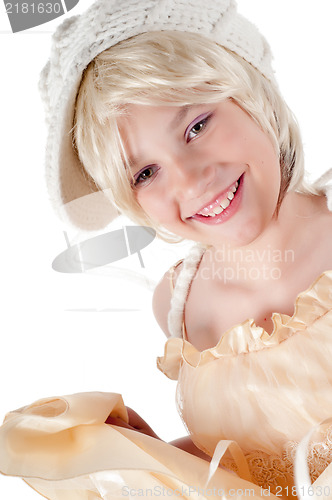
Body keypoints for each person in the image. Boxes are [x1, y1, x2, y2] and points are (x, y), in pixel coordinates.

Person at [0, 0, 332, 498]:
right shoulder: (179, 304)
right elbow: (258, 461)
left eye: (197, 126)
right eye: (146, 173)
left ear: (251, 92)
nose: (192, 179)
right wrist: (149, 455)